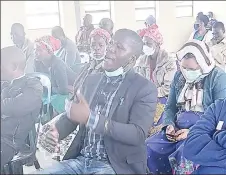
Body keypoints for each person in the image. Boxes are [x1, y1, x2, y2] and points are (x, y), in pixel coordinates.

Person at [34, 29, 158, 174]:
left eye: (119, 47)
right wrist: (57, 131)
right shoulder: (92, 80)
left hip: (115, 166)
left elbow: (137, 134)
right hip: (81, 160)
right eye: (111, 43)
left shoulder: (144, 88)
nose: (110, 48)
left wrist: (92, 119)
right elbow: (74, 116)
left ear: (131, 60)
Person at [146, 39, 226, 174]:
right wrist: (169, 125)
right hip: (177, 128)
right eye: (184, 67)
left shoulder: (218, 78)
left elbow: (221, 116)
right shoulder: (180, 76)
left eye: (192, 69)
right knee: (149, 146)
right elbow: (170, 107)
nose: (186, 72)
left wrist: (191, 132)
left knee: (185, 154)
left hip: (205, 131)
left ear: (203, 65)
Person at [1, 46, 43, 168]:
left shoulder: (33, 85)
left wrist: (6, 104)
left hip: (10, 141)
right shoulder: (4, 83)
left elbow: (17, 106)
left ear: (14, 67)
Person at [135, 28, 177, 136]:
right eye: (144, 43)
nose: (145, 46)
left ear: (158, 44)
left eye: (148, 43)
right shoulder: (141, 61)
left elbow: (168, 88)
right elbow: (137, 82)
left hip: (163, 97)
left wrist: (151, 94)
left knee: (157, 125)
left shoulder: (168, 61)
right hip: (145, 97)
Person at [34, 35, 76, 115]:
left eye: (39, 50)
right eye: (34, 49)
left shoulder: (58, 65)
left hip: (72, 91)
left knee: (57, 105)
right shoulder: (37, 62)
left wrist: (49, 88)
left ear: (49, 51)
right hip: (58, 90)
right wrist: (50, 88)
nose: (35, 52)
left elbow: (63, 91)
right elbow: (39, 84)